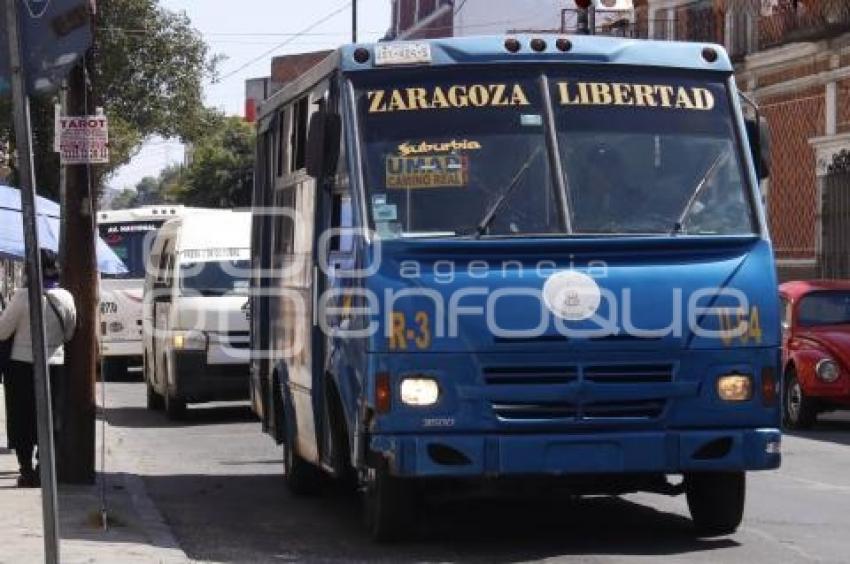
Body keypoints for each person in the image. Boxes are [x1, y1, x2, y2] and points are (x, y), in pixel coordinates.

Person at [0, 251, 76, 487]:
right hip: (54, 365)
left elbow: (2, 332)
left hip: (21, 368)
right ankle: (44, 467)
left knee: (22, 418)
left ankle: (26, 470)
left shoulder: (23, 297)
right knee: (50, 417)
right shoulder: (66, 298)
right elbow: (70, 332)